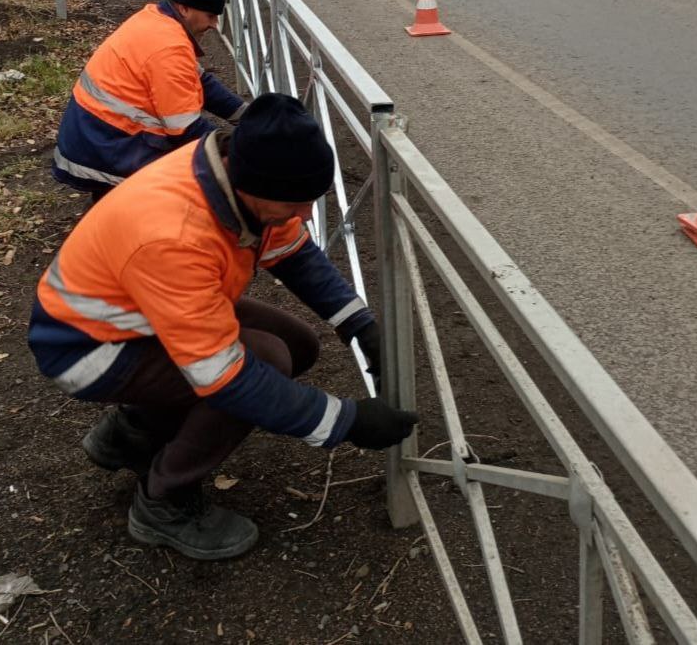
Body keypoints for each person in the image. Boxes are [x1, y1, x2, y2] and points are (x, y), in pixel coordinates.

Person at [29, 93, 418, 560]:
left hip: (134, 316)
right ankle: (162, 502)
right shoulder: (173, 233)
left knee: (297, 345)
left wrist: (359, 325)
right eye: (297, 202)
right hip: (88, 348)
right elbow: (225, 377)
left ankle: (131, 433)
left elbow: (294, 253)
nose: (307, 214)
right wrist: (346, 422)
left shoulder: (233, 175)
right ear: (254, 185)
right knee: (261, 365)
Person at [52, 0, 245, 201]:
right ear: (184, 8)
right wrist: (242, 151)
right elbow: (186, 130)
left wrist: (250, 116)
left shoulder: (156, 20)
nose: (214, 25)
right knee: (196, 191)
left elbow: (202, 83)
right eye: (210, 16)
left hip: (94, 138)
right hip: (105, 149)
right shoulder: (168, 48)